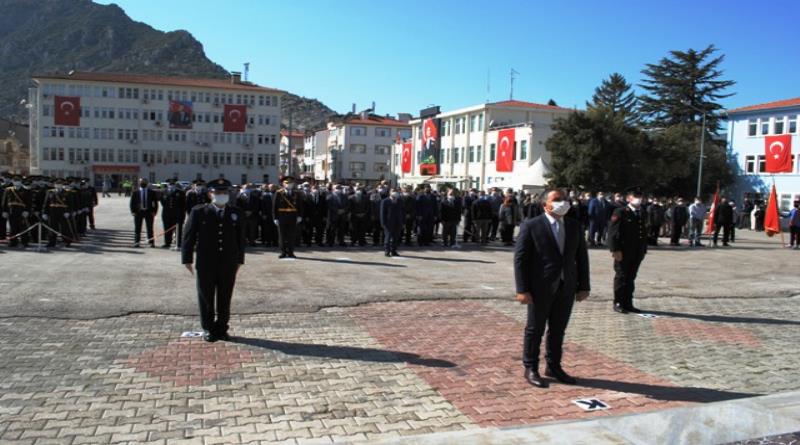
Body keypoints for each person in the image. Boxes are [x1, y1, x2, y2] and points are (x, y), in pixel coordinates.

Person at [514, 189, 590, 388]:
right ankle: (530, 367)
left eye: (564, 199)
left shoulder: (574, 226)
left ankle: (554, 366)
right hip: (540, 288)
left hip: (566, 287)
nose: (562, 203)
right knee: (534, 329)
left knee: (558, 330)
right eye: (556, 200)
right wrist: (522, 289)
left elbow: (581, 258)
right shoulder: (532, 226)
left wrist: (584, 286)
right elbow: (520, 259)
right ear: (544, 204)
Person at [181, 178, 245, 343]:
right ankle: (208, 328)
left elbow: (240, 239)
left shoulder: (235, 212)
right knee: (205, 296)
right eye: (218, 193)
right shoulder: (199, 211)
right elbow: (188, 237)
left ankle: (222, 328)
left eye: (224, 193)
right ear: (210, 194)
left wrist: (240, 260)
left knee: (225, 296)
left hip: (228, 262)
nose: (222, 195)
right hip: (206, 262)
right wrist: (187, 259)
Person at [607, 186, 648, 314]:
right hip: (623, 251)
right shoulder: (620, 212)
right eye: (636, 197)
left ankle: (628, 303)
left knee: (631, 277)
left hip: (637, 251)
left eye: (640, 197)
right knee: (621, 277)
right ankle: (618, 302)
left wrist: (643, 249)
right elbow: (613, 233)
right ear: (629, 198)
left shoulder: (642, 212)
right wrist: (615, 250)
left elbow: (644, 232)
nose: (639, 199)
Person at [272, 176, 304, 258]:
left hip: (292, 217)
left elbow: (300, 206)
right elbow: (274, 207)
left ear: (293, 184)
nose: (289, 185)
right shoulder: (279, 193)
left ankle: (291, 252)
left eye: (291, 183)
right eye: (287, 183)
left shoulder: (297, 193)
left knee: (291, 235)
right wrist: (275, 218)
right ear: (283, 184)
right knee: (282, 235)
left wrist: (300, 216)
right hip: (281, 216)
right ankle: (283, 252)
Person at [129, 178, 159, 248]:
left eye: (144, 182)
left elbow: (155, 203)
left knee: (150, 228)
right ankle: (137, 242)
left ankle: (151, 242)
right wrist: (133, 211)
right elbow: (132, 203)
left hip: (149, 212)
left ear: (147, 183)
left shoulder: (151, 192)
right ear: (139, 183)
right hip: (138, 212)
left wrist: (155, 211)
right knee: (137, 228)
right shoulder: (135, 192)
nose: (143, 183)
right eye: (141, 182)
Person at [160, 178, 186, 249]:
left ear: (175, 184)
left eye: (173, 184)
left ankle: (178, 243)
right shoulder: (164, 192)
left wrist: (182, 215)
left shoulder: (180, 192)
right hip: (166, 213)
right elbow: (162, 202)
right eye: (170, 184)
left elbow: (183, 205)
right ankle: (167, 243)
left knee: (178, 229)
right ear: (168, 184)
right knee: (167, 228)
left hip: (177, 214)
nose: (171, 185)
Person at [380, 189, 405, 256]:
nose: (394, 193)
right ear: (390, 193)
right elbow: (382, 213)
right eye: (393, 191)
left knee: (396, 237)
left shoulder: (400, 201)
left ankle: (393, 250)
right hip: (388, 222)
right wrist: (383, 223)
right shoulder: (385, 201)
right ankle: (387, 251)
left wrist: (403, 222)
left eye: (395, 191)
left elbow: (403, 212)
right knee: (388, 237)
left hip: (398, 222)